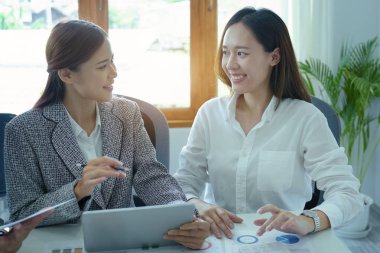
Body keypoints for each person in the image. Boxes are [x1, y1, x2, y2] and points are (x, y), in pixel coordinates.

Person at [4, 19, 209, 249]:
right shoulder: (23, 130)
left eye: (112, 61)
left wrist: (180, 215)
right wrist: (77, 190)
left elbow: (150, 175)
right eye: (102, 66)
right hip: (63, 245)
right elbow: (22, 215)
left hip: (126, 241)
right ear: (66, 74)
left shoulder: (126, 112)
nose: (114, 73)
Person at [174, 7, 363, 240]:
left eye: (241, 53)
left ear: (274, 57)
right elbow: (183, 183)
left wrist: (308, 220)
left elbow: (347, 192)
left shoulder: (306, 118)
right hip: (221, 239)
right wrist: (198, 205)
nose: (229, 64)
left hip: (282, 241)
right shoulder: (209, 114)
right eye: (225, 52)